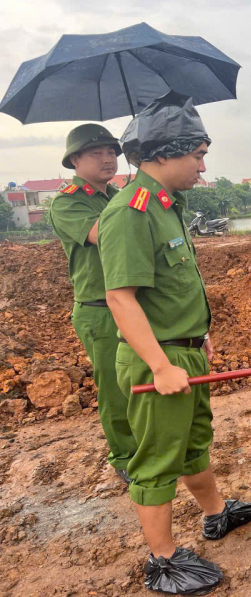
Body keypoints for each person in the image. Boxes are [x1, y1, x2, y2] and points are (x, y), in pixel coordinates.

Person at [98, 92, 251, 595]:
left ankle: (216, 513)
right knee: (157, 458)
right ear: (164, 154)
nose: (203, 166)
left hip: (183, 349)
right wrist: (159, 364)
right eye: (197, 155)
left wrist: (198, 336)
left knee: (193, 441)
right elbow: (120, 298)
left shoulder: (167, 206)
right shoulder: (131, 212)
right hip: (158, 357)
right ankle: (163, 560)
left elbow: (172, 288)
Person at [49, 124, 137, 485]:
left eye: (112, 152)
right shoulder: (68, 201)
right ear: (75, 160)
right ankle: (125, 456)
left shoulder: (118, 194)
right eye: (96, 153)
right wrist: (137, 205)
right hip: (100, 309)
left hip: (131, 303)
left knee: (139, 380)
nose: (107, 159)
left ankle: (148, 446)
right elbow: (105, 234)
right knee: (115, 388)